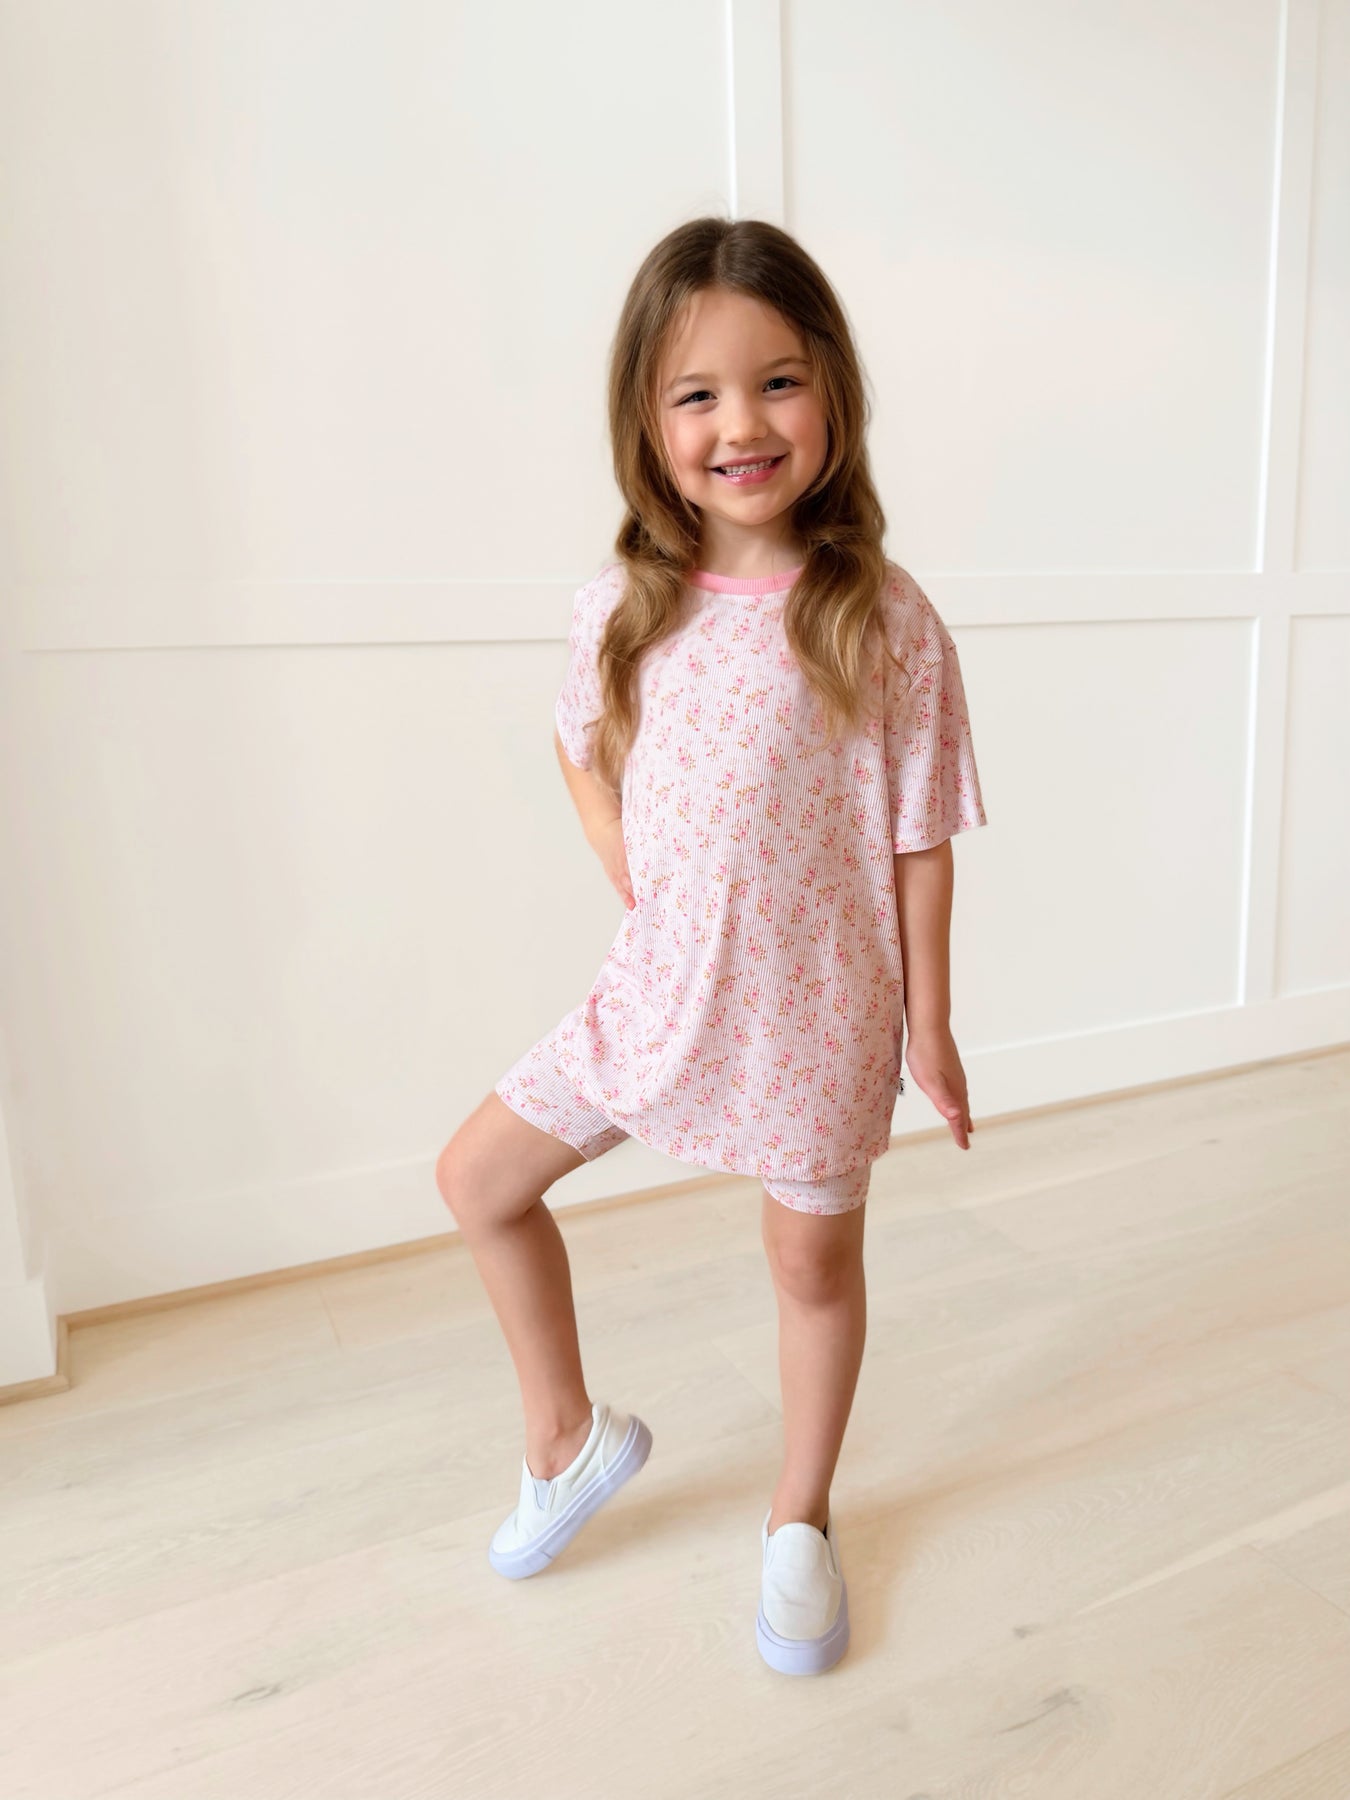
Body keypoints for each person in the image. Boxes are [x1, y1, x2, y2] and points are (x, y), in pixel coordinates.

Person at [435, 216, 988, 1676]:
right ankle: (567, 1438)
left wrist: (929, 1024)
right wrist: (630, 866)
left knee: (808, 1269)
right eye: (698, 394)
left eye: (778, 382)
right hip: (656, 997)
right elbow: (576, 745)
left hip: (818, 1014)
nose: (741, 424)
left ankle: (799, 1516)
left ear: (833, 392)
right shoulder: (623, 608)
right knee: (478, 1181)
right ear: (648, 420)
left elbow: (920, 834)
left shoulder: (881, 619)